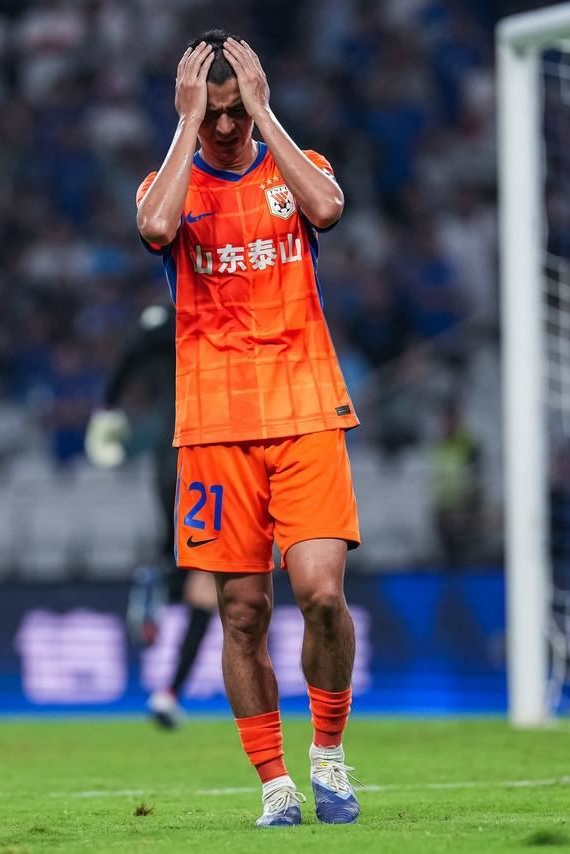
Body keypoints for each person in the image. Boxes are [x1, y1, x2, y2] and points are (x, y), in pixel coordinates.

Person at [135, 29, 362, 828]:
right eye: (214, 114)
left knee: (323, 596)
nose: (227, 127)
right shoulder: (166, 182)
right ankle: (275, 786)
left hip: (306, 408)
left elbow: (327, 208)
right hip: (215, 426)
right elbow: (156, 228)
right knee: (241, 614)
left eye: (236, 110)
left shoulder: (298, 169)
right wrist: (184, 123)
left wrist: (267, 115)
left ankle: (328, 756)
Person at [86, 302, 217, 730]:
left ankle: (159, 576)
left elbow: (134, 348)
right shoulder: (223, 311)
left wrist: (108, 407)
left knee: (192, 563)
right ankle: (171, 690)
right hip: (212, 458)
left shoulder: (169, 316)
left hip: (171, 461)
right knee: (208, 580)